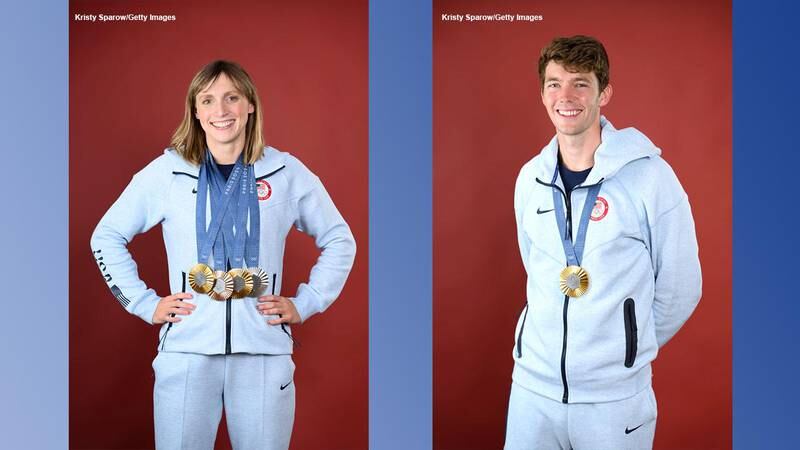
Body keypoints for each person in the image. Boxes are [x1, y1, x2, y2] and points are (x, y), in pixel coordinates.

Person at [90, 60, 356, 450]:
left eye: (232, 97)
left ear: (250, 105)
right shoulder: (169, 173)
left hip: (263, 353)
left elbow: (339, 238)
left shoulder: (285, 172)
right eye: (208, 100)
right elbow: (106, 236)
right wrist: (145, 304)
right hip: (186, 351)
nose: (221, 111)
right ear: (195, 111)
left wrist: (309, 301)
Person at [505, 36, 702, 450]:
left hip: (614, 401)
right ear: (542, 93)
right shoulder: (530, 178)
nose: (566, 96)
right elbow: (535, 269)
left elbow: (681, 287)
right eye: (555, 83)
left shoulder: (651, 178)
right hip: (531, 392)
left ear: (604, 93)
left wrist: (623, 348)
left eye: (581, 83)